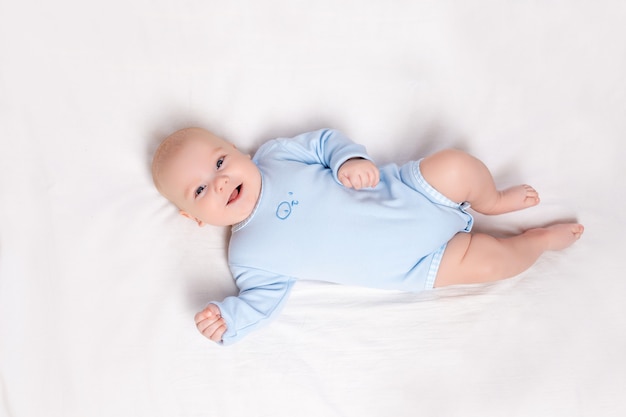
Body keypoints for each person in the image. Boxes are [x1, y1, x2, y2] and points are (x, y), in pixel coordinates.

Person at [151, 127, 584, 345]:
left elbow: (324, 141)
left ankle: (491, 201)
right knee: (493, 263)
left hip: (412, 193)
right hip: (420, 264)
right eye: (202, 189)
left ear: (240, 151)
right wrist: (229, 320)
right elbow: (260, 303)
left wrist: (347, 160)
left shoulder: (277, 156)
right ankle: (538, 242)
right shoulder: (248, 256)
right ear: (195, 219)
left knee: (456, 165)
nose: (221, 182)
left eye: (221, 162)